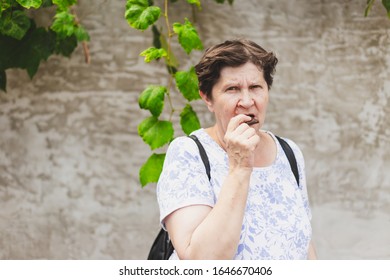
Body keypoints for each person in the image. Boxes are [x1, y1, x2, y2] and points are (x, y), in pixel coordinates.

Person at [156, 39, 317, 260]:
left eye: (255, 87)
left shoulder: (289, 152)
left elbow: (304, 246)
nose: (247, 101)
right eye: (232, 89)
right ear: (208, 98)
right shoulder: (188, 154)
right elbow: (200, 261)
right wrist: (240, 167)